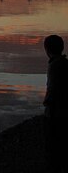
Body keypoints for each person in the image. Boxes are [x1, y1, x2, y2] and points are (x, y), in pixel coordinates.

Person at [43, 34, 68, 173]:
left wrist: (47, 103)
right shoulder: (64, 63)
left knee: (53, 146)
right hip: (61, 110)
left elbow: (53, 88)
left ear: (47, 49)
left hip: (55, 113)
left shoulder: (55, 66)